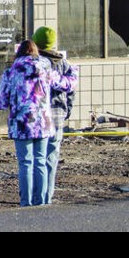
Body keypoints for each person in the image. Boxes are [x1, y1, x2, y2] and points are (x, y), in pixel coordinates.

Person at [0, 39, 78, 207]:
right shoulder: (46, 69)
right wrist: (74, 72)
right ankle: (42, 202)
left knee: (25, 163)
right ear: (36, 52)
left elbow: (0, 102)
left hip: (21, 124)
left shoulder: (10, 72)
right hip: (43, 123)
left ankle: (26, 202)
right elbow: (66, 84)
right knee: (40, 161)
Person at [32, 26, 78, 205]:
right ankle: (47, 197)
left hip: (37, 118)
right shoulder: (64, 64)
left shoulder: (35, 63)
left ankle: (34, 197)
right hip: (57, 116)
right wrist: (67, 111)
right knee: (51, 158)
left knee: (35, 159)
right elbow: (71, 92)